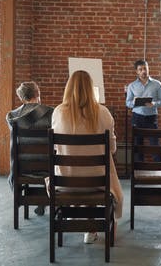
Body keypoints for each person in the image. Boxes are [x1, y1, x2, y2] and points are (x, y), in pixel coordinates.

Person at [51, 70, 124, 244]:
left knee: (75, 173)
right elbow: (112, 149)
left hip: (65, 183)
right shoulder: (104, 113)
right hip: (99, 184)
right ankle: (90, 227)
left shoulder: (58, 112)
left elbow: (56, 148)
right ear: (92, 89)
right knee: (95, 173)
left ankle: (79, 219)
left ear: (68, 88)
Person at [6, 81, 53, 216]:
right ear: (38, 94)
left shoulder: (11, 117)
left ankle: (40, 202)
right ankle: (44, 200)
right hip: (47, 166)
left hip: (22, 166)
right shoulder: (51, 113)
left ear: (21, 97)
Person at [125, 59, 161, 162]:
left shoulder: (157, 84)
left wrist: (154, 104)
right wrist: (134, 102)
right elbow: (128, 103)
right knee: (138, 146)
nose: (143, 71)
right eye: (140, 69)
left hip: (151, 118)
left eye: (145, 68)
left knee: (155, 145)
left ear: (148, 69)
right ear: (137, 72)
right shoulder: (132, 86)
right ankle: (138, 171)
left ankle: (159, 169)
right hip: (137, 118)